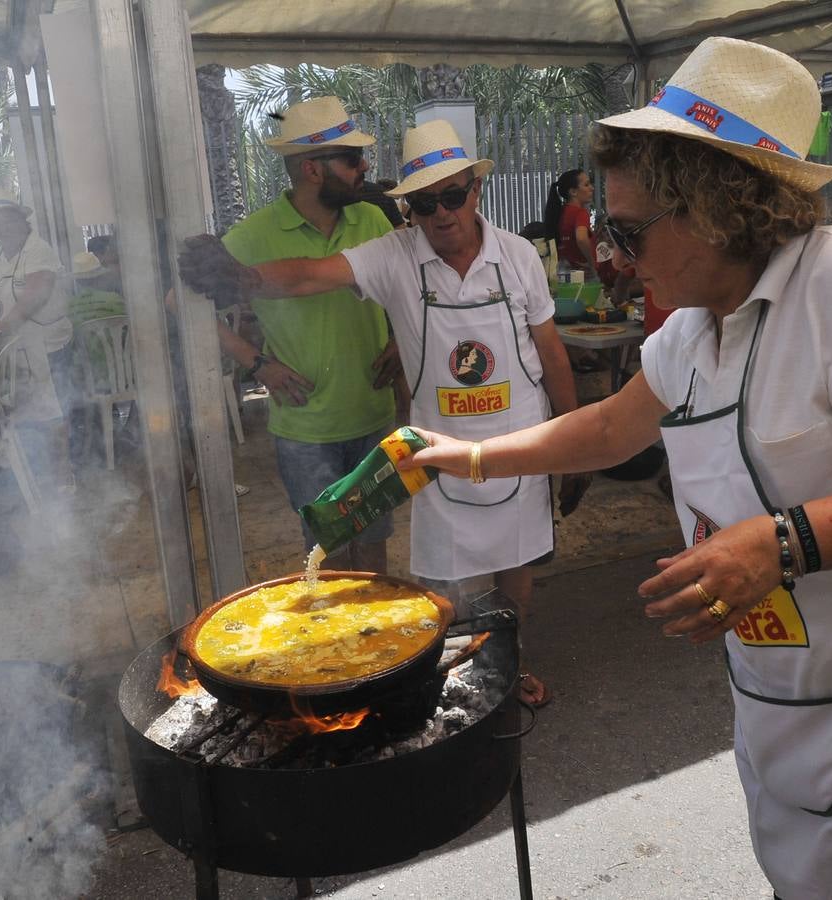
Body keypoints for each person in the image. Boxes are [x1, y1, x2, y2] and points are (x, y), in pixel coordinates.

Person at [399, 37, 832, 899]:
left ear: (716, 208)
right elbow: (607, 427)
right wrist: (472, 454)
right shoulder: (697, 324)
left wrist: (780, 543)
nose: (614, 252)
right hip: (794, 681)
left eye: (628, 230)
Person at [179, 119, 587, 707]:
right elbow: (312, 276)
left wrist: (569, 444)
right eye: (425, 203)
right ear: (412, 210)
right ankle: (460, 684)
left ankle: (510, 666)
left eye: (452, 196)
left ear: (475, 189)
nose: (442, 214)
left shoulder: (519, 257)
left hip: (519, 446)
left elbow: (550, 351)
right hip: (441, 457)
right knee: (448, 592)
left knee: (517, 576)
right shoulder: (395, 255)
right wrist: (240, 278)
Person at [210, 96, 402, 575]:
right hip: (306, 429)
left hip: (372, 415)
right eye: (352, 159)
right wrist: (257, 364)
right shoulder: (255, 235)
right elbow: (180, 306)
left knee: (374, 545)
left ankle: (377, 647)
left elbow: (404, 288)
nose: (365, 167)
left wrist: (401, 340)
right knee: (328, 553)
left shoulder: (374, 220)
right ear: (312, 170)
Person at [0, 190, 75, 490]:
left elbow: (36, 294)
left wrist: (1, 328)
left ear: (21, 221)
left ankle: (63, 478)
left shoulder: (38, 250)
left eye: (5, 221)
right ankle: (34, 475)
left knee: (52, 413)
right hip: (14, 347)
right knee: (26, 411)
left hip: (45, 346)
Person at [544, 168, 598, 275]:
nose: (592, 188)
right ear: (573, 192)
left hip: (562, 273)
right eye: (586, 185)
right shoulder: (580, 213)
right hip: (582, 275)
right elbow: (581, 238)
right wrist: (594, 264)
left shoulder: (558, 213)